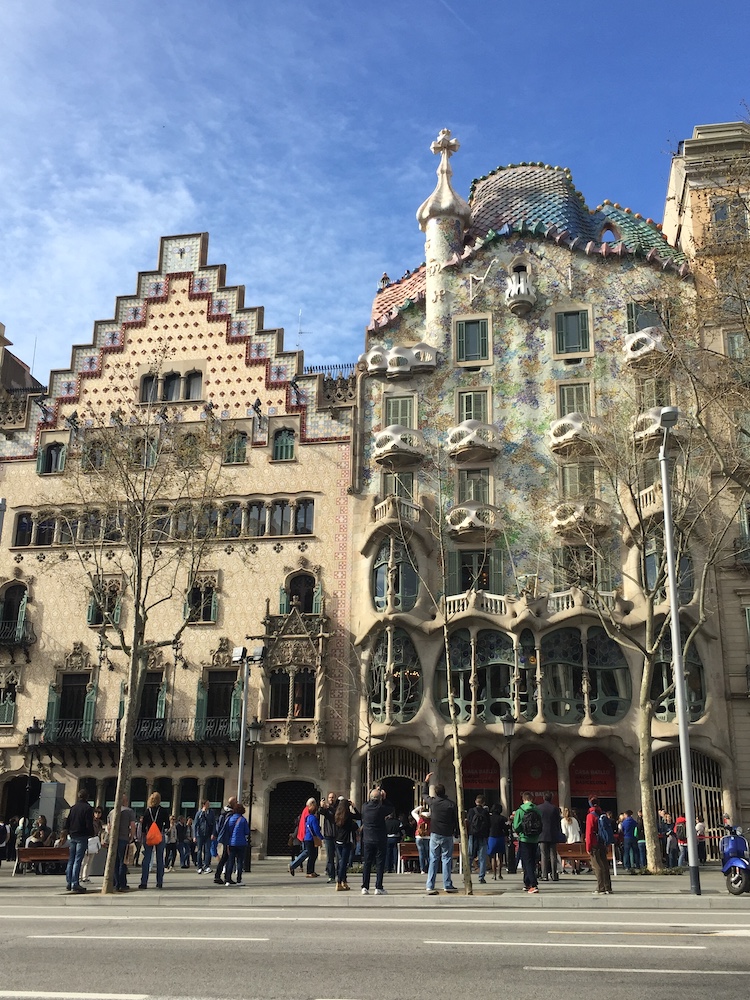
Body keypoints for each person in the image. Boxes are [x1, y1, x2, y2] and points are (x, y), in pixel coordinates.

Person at [423, 772, 459, 895]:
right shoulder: (451, 804)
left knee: (433, 859)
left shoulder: (433, 802)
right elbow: (456, 819)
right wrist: (457, 832)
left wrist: (426, 782)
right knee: (447, 859)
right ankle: (447, 884)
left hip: (435, 833)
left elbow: (424, 794)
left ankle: (430, 885)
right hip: (447, 833)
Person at [359, 786, 394, 895]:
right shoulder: (381, 808)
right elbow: (391, 807)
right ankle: (378, 887)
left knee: (367, 864)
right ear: (379, 799)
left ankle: (365, 886)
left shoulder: (365, 807)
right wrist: (384, 798)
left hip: (368, 839)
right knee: (380, 864)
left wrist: (374, 792)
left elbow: (367, 801)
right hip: (379, 839)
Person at [63, 788, 95, 893]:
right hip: (82, 836)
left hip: (73, 835)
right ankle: (75, 883)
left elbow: (67, 822)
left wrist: (68, 831)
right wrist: (91, 833)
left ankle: (69, 881)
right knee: (78, 860)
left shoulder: (73, 808)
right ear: (87, 797)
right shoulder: (88, 808)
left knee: (71, 859)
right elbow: (88, 824)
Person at [512, 791, 542, 894]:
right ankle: (527, 883)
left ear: (523, 799)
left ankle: (533, 884)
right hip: (535, 839)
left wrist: (520, 832)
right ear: (532, 799)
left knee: (527, 862)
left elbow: (516, 826)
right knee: (532, 861)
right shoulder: (537, 810)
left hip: (524, 838)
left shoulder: (520, 810)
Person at [139, 791, 169, 889]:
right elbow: (167, 825)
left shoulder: (148, 811)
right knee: (160, 859)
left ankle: (144, 882)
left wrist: (145, 835)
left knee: (147, 858)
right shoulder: (164, 811)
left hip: (150, 836)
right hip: (159, 835)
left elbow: (143, 826)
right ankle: (159, 882)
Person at [107, 793, 136, 892]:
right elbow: (132, 825)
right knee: (123, 862)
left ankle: (116, 883)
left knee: (115, 862)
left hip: (114, 840)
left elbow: (109, 827)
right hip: (124, 838)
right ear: (125, 801)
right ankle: (122, 884)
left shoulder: (111, 812)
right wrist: (132, 836)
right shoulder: (129, 811)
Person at [585, 795, 612, 895]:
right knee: (604, 865)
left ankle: (600, 887)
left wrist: (588, 846)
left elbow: (589, 832)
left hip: (594, 843)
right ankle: (607, 887)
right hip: (602, 842)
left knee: (597, 865)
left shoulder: (590, 816)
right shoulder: (602, 814)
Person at [289, 797, 323, 877]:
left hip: (306, 836)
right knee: (308, 853)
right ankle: (295, 865)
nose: (316, 807)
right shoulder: (310, 815)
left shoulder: (306, 812)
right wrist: (321, 837)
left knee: (311, 854)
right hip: (309, 837)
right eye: (315, 805)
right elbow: (313, 828)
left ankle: (310, 870)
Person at [333, 796, 360, 891]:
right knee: (344, 863)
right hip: (346, 841)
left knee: (341, 862)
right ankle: (339, 881)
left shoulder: (337, 814)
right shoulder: (348, 815)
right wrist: (354, 807)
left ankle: (344, 881)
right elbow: (359, 816)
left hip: (338, 841)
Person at [213, 795, 238, 885]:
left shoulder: (224, 812)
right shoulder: (230, 814)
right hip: (228, 838)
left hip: (225, 837)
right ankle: (226, 877)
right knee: (227, 857)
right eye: (236, 802)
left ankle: (219, 876)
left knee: (225, 857)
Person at [538, 791, 561, 882]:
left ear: (543, 798)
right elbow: (558, 822)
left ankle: (544, 875)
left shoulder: (539, 808)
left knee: (543, 855)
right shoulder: (555, 808)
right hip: (552, 834)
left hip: (542, 834)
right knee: (553, 855)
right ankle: (554, 874)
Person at [466, 795, 490, 884]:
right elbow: (488, 825)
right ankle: (481, 877)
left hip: (473, 835)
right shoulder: (485, 812)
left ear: (476, 802)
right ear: (483, 803)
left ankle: (467, 875)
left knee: (470, 856)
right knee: (482, 857)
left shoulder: (471, 811)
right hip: (483, 836)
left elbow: (468, 822)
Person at [224, 803, 250, 886]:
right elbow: (247, 832)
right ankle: (239, 879)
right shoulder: (243, 820)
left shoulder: (230, 819)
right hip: (241, 843)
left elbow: (228, 830)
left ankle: (228, 879)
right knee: (239, 862)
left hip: (232, 843)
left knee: (230, 861)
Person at [318, 791, 339, 884]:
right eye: (330, 797)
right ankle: (331, 876)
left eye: (332, 797)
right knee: (330, 857)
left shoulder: (338, 807)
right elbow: (320, 812)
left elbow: (336, 814)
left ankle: (340, 875)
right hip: (328, 836)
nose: (331, 799)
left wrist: (328, 807)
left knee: (339, 857)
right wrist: (321, 806)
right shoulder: (326, 810)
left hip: (338, 835)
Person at [193, 799, 216, 873]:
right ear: (203, 804)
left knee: (207, 850)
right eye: (207, 804)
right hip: (200, 834)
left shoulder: (211, 813)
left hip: (208, 834)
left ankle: (206, 865)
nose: (208, 805)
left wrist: (213, 833)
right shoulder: (199, 813)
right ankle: (199, 866)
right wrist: (194, 836)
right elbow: (195, 825)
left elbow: (214, 824)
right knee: (199, 851)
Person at [487, 803, 508, 880]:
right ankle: (500, 874)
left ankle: (494, 875)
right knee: (500, 857)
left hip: (491, 837)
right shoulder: (503, 818)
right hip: (500, 837)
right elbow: (506, 828)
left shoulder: (489, 818)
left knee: (492, 857)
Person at [411, 801, 431, 875]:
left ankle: (422, 869)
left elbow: (413, 812)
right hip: (428, 837)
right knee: (428, 853)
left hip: (419, 836)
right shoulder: (430, 818)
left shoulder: (419, 818)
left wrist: (420, 806)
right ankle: (429, 868)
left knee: (421, 853)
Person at [560, 805, 582, 873]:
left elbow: (564, 832)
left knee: (571, 855)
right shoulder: (575, 820)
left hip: (570, 839)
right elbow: (578, 829)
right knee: (577, 855)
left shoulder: (563, 821)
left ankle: (573, 869)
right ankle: (577, 868)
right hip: (577, 838)